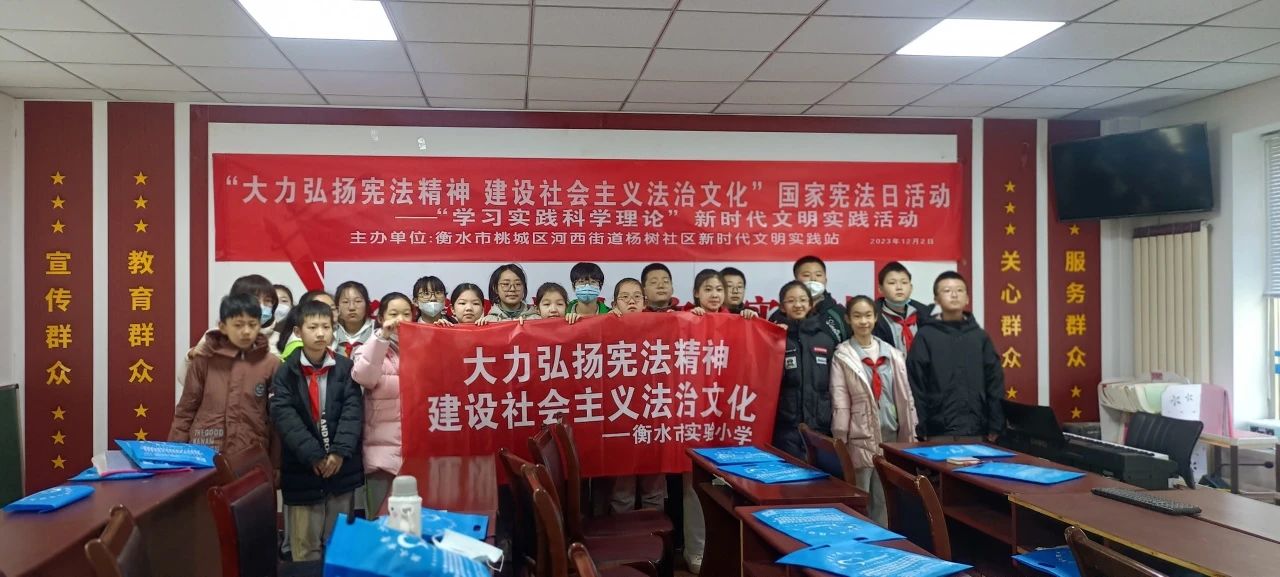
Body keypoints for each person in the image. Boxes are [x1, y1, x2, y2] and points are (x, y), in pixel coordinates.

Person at [271, 300, 365, 562]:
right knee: (305, 550)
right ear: (298, 331)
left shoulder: (345, 368)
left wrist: (338, 453)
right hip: (302, 470)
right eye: (313, 327)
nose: (321, 333)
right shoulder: (285, 372)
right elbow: (285, 418)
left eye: (326, 326)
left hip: (341, 469)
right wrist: (313, 455)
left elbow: (352, 412)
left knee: (341, 548)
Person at [831, 295, 919, 527]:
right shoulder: (843, 355)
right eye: (857, 316)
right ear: (848, 319)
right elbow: (840, 400)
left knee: (886, 497)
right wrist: (840, 438)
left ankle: (884, 540)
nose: (863, 321)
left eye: (868, 315)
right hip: (859, 435)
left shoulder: (892, 354)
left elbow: (905, 396)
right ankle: (860, 539)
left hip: (891, 433)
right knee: (860, 495)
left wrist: (910, 433)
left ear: (875, 317)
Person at [170, 293, 281, 458]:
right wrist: (175, 456)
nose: (246, 331)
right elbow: (186, 410)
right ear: (222, 327)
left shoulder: (271, 364)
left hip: (251, 455)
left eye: (252, 324)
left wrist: (276, 465)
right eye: (238, 325)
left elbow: (276, 420)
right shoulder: (204, 359)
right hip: (205, 453)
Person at [906, 271, 1004, 441]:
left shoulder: (979, 337)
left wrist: (996, 423)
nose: (954, 295)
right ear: (936, 299)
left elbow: (994, 382)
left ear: (967, 298)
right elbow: (915, 383)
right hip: (937, 429)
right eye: (947, 290)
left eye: (959, 290)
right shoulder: (926, 336)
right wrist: (921, 424)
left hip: (977, 429)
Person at [351, 292, 413, 518]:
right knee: (380, 522)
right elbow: (363, 376)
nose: (400, 319)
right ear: (380, 318)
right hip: (382, 457)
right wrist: (382, 338)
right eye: (393, 314)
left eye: (406, 314)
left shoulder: (421, 348)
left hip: (414, 454)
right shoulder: (367, 348)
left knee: (413, 521)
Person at [608, 277, 667, 514]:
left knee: (654, 489)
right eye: (624, 297)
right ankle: (622, 537)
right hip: (620, 420)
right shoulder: (604, 328)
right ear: (614, 303)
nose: (631, 302)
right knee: (622, 492)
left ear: (645, 302)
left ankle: (656, 537)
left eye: (636, 297)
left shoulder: (661, 326)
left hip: (653, 418)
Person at [772, 281, 838, 459]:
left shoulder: (825, 339)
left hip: (820, 427)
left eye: (802, 300)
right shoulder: (775, 338)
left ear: (810, 304)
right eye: (791, 301)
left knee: (820, 475)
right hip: (786, 428)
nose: (798, 305)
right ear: (782, 307)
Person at [771, 256, 848, 342]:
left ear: (825, 280)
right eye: (806, 275)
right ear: (796, 280)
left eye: (818, 275)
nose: (813, 279)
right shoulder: (779, 315)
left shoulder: (840, 314)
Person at [872, 262, 930, 354]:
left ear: (911, 288)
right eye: (892, 283)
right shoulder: (872, 318)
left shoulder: (926, 315)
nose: (899, 287)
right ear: (880, 289)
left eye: (904, 282)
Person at [278, 290, 337, 359]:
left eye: (332, 309)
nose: (328, 312)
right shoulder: (297, 348)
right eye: (319, 307)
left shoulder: (337, 334)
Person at [689, 268, 757, 318]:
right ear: (696, 293)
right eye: (708, 289)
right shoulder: (688, 316)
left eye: (719, 289)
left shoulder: (735, 318)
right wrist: (691, 316)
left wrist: (751, 319)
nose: (714, 295)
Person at [334, 281, 375, 357]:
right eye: (345, 302)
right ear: (337, 306)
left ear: (367, 304)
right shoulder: (331, 331)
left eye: (358, 301)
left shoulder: (377, 330)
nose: (351, 307)